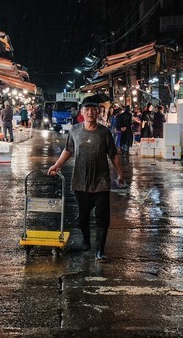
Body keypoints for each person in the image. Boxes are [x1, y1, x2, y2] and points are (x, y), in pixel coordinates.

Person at [48, 95, 125, 263]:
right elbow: (68, 150)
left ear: (98, 112)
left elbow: (113, 154)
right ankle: (86, 240)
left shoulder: (104, 132)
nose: (90, 112)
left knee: (102, 217)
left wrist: (120, 173)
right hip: (80, 181)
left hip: (101, 182)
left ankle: (100, 250)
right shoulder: (75, 130)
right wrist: (57, 165)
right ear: (81, 112)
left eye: (93, 110)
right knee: (82, 218)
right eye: (87, 110)